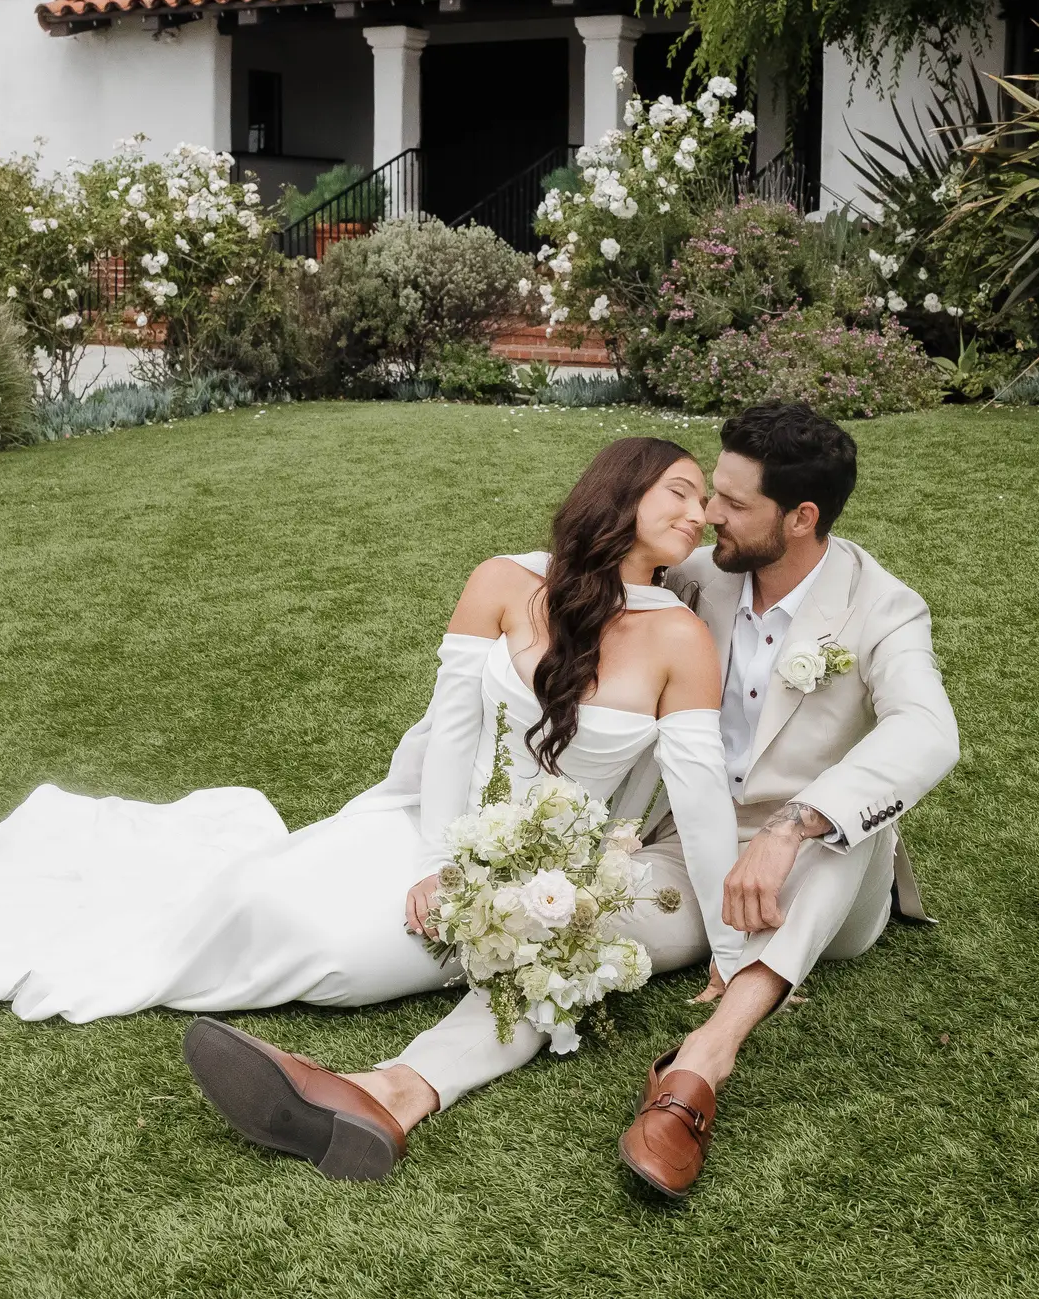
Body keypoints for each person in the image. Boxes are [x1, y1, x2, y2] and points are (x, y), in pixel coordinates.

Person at [0, 436, 745, 1178]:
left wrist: (731, 946)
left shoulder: (680, 637)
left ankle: (378, 1091)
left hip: (551, 873)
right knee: (265, 898)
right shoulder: (502, 581)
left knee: (341, 963)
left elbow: (702, 803)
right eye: (682, 488)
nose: (701, 511)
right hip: (436, 827)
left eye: (707, 501)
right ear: (619, 488)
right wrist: (439, 862)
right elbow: (449, 737)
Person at [335, 401, 960, 1198]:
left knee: (849, 828)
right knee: (564, 926)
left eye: (733, 504)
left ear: (800, 517)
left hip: (825, 878)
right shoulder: (695, 576)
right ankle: (399, 1088)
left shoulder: (883, 606)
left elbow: (929, 732)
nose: (708, 517)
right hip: (682, 852)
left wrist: (794, 824)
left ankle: (705, 1056)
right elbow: (579, 571)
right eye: (708, 494)